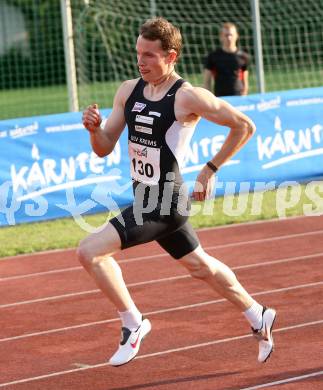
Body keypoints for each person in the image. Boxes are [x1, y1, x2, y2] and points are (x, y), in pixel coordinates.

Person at [80, 17, 276, 367]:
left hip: (166, 202)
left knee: (90, 251)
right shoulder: (129, 90)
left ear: (170, 56)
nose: (140, 61)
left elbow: (244, 126)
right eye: (138, 53)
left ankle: (133, 323)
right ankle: (257, 313)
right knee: (201, 267)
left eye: (149, 55)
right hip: (144, 196)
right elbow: (104, 146)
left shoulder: (188, 96)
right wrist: (94, 130)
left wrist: (210, 168)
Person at [204, 22, 249, 97]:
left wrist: (244, 94)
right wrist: (210, 98)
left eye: (231, 35)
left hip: (238, 96)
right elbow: (207, 82)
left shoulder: (243, 56)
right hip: (220, 98)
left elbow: (245, 81)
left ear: (236, 36)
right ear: (221, 37)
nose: (229, 38)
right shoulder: (213, 56)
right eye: (226, 35)